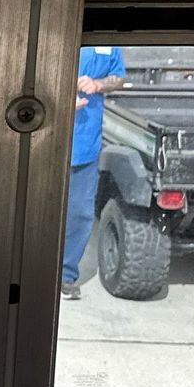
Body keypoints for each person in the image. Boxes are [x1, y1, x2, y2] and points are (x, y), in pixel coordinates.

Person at [63, 45, 126, 300]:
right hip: (49, 138)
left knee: (79, 213)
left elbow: (118, 78)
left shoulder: (109, 43)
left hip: (85, 143)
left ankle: (65, 275)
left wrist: (98, 84)